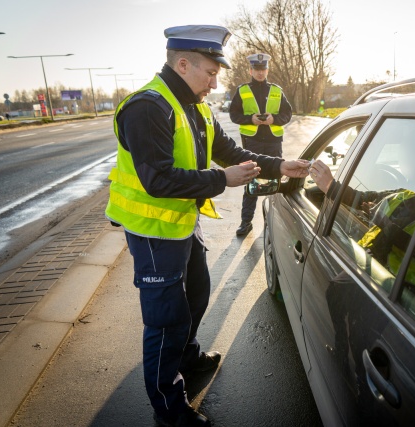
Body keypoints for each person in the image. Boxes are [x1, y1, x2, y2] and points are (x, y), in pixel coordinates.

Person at [105, 25, 309, 427]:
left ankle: (189, 356)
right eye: (211, 73)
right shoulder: (148, 107)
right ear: (183, 64)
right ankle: (170, 409)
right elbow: (157, 179)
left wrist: (277, 165)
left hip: (182, 223)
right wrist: (222, 180)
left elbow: (227, 149)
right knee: (166, 320)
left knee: (197, 295)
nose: (216, 83)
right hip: (152, 233)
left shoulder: (194, 105)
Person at [309, 158, 415, 288]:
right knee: (336, 290)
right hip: (369, 266)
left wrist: (382, 222)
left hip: (404, 291)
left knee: (337, 292)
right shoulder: (401, 195)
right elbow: (359, 198)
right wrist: (330, 185)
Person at [229, 53, 293, 236]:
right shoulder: (242, 90)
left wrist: (275, 119)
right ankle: (246, 222)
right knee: (251, 180)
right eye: (256, 69)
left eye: (263, 69)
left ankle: (279, 225)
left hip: (273, 142)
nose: (260, 72)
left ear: (267, 70)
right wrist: (251, 119)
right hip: (253, 142)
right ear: (250, 70)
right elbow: (234, 115)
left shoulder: (276, 90)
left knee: (275, 181)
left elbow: (287, 114)